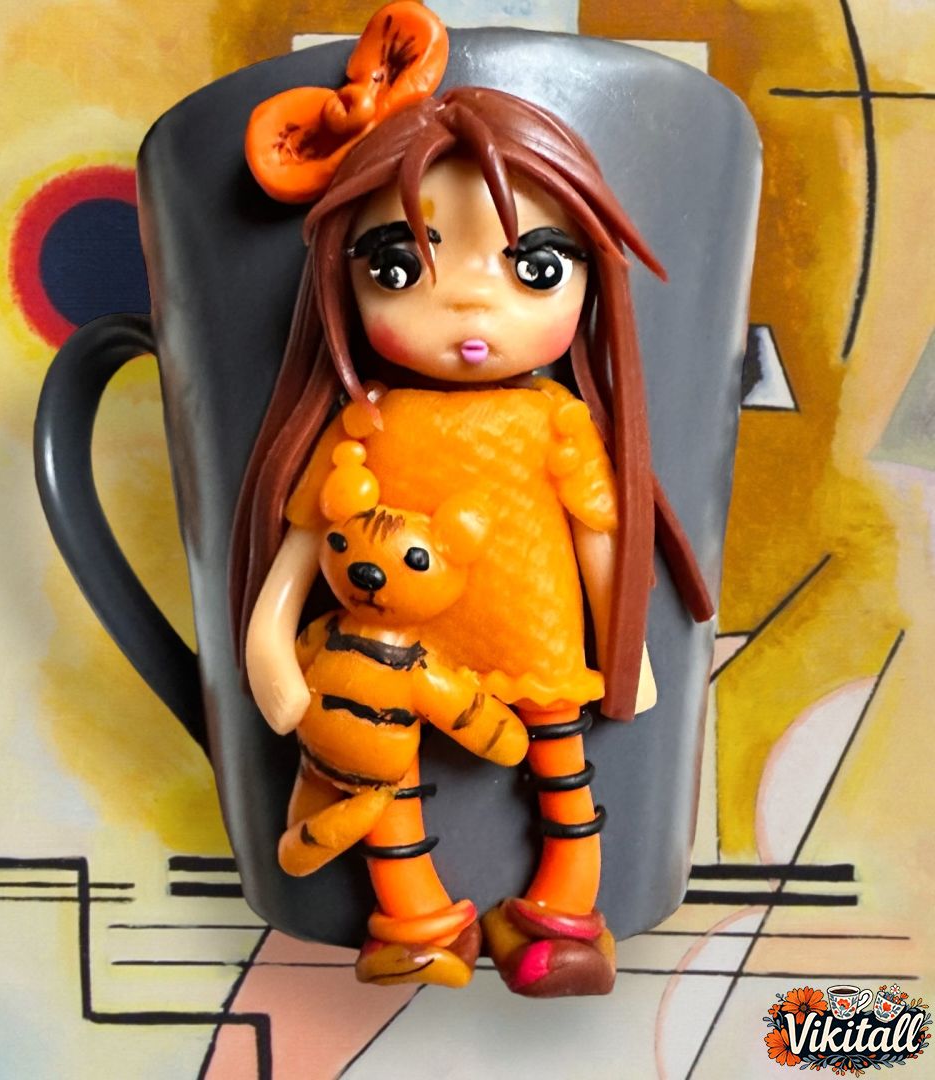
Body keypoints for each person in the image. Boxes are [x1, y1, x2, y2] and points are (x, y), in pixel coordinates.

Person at [233, 84, 712, 997]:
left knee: (562, 773)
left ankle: (564, 909)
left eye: (536, 266)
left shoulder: (555, 419)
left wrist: (625, 646)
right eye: (399, 267)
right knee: (385, 772)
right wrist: (269, 643)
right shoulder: (367, 423)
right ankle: (413, 917)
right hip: (393, 650)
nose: (470, 304)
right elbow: (305, 541)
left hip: (533, 639)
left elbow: (597, 538)